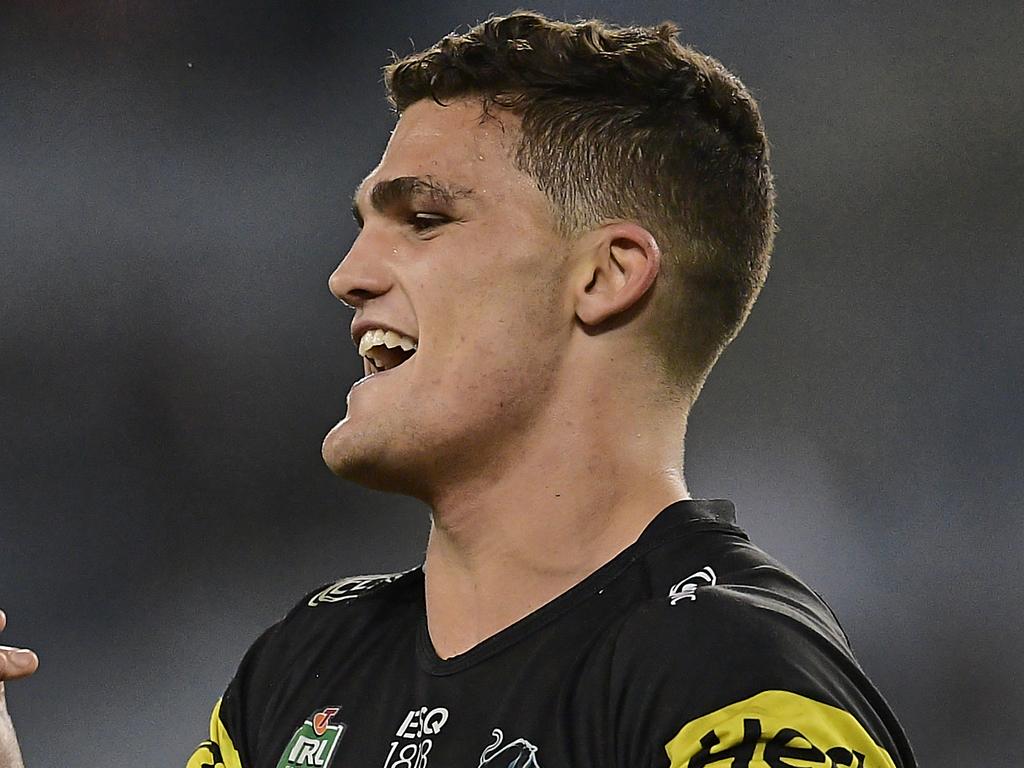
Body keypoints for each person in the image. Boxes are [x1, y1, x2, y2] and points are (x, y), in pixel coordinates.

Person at [1, 11, 917, 768]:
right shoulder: (304, 667)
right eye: (364, 224)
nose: (349, 272)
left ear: (605, 276)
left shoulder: (726, 681)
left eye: (425, 219)